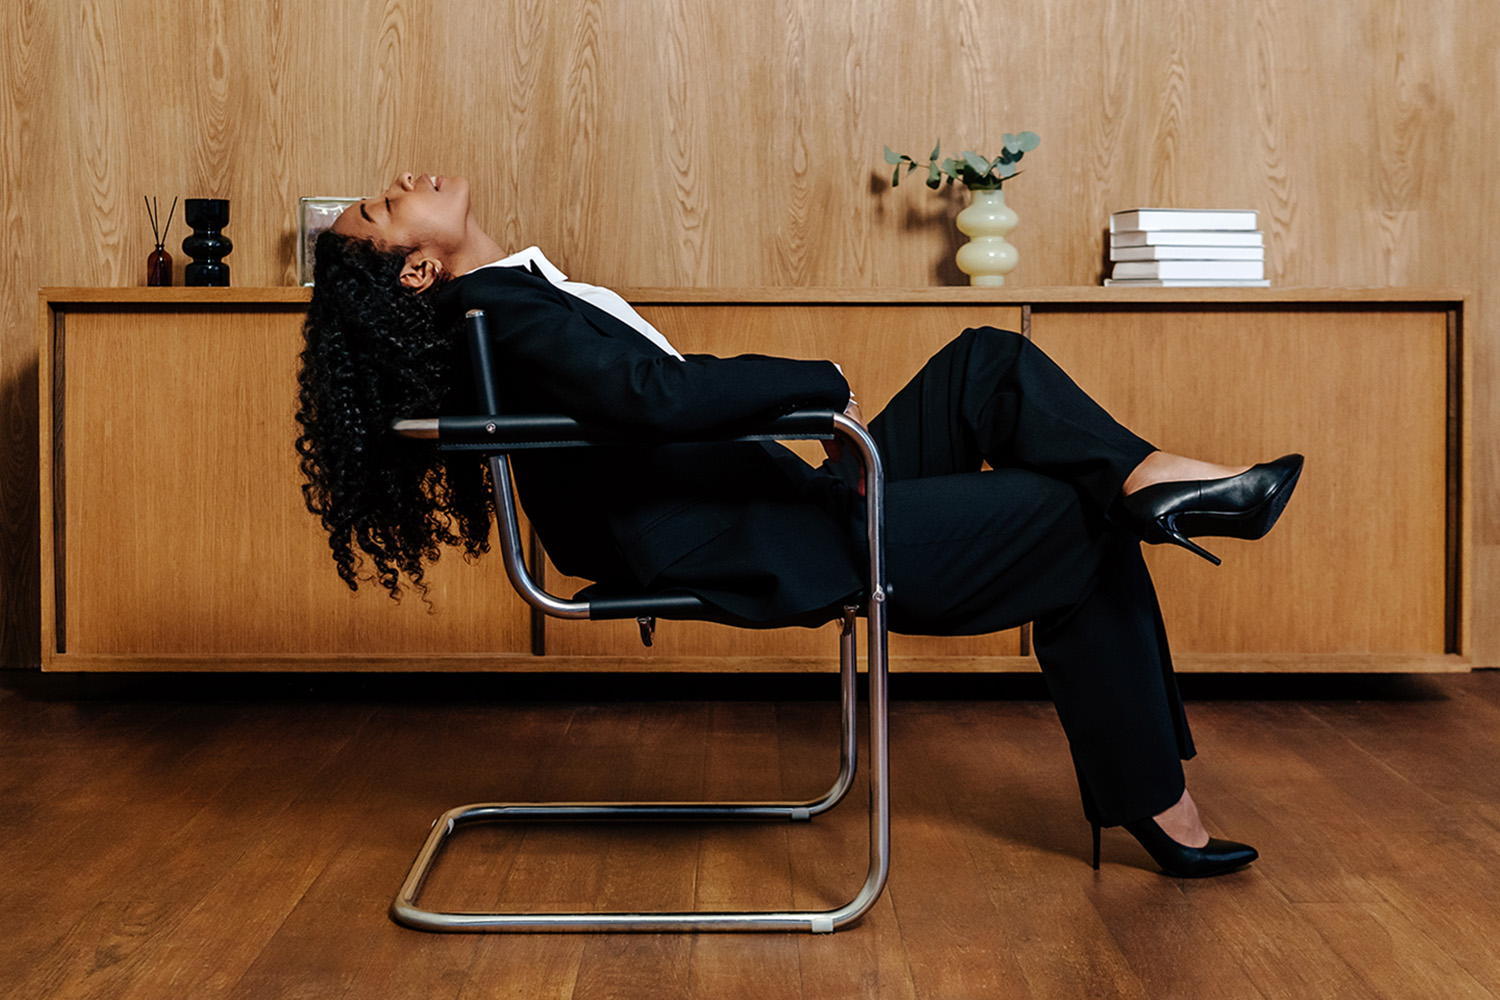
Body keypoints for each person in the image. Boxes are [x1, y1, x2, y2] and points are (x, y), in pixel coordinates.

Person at [296, 171, 1304, 878]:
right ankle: (1155, 789)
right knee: (1073, 520)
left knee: (985, 365)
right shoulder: (502, 312)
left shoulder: (509, 294)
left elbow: (647, 400)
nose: (402, 181)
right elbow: (653, 394)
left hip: (775, 499)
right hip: (756, 536)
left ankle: (1154, 478)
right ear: (418, 270)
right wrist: (821, 384)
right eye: (386, 208)